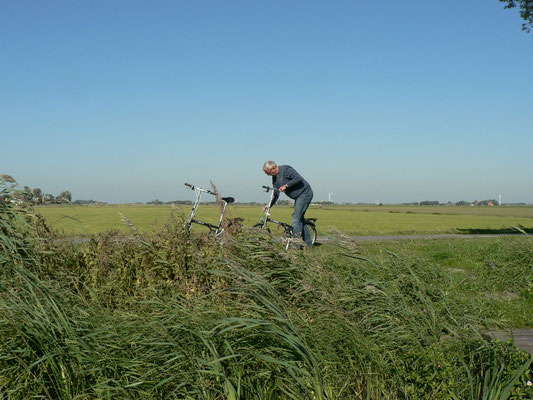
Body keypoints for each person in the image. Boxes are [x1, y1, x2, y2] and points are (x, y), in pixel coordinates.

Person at [263, 161, 314, 247]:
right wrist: (268, 205)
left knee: (296, 219)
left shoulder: (286, 169)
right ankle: (308, 245)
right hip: (298, 197)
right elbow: (276, 194)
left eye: (268, 173)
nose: (268, 175)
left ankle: (296, 246)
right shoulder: (275, 179)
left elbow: (298, 178)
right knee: (300, 220)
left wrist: (286, 185)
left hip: (304, 193)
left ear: (273, 168)